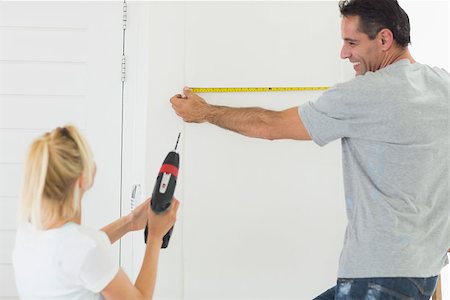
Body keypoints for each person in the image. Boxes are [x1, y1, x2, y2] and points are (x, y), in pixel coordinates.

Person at [170, 0, 449, 299]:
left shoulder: (366, 93)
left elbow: (270, 126)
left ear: (384, 39)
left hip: (376, 278)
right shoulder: (443, 86)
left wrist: (205, 112)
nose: (344, 53)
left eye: (351, 42)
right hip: (423, 276)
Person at [12, 125, 180, 300]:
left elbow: (77, 253)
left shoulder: (27, 232)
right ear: (83, 179)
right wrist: (155, 236)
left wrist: (130, 222)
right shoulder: (84, 248)